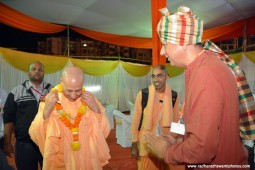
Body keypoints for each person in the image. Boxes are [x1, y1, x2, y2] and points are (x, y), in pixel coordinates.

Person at [144, 6, 249, 169]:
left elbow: (202, 150)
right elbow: (194, 121)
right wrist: (178, 141)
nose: (163, 52)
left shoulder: (205, 74)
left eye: (165, 44)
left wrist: (167, 152)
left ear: (183, 42)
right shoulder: (202, 67)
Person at [29, 66, 111, 170]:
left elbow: (104, 132)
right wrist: (46, 113)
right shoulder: (50, 100)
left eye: (78, 90)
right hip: (61, 162)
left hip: (87, 160)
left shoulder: (90, 100)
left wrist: (96, 110)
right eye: (69, 90)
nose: (73, 96)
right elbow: (35, 133)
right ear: (61, 82)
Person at [131, 64, 184, 170]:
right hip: (146, 141)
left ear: (167, 77)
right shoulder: (143, 94)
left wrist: (180, 140)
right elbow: (136, 120)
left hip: (164, 144)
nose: (156, 79)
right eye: (153, 76)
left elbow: (176, 120)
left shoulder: (174, 96)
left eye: (159, 76)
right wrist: (134, 143)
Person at [3, 61, 53, 170]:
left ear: (44, 72)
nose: (37, 72)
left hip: (49, 143)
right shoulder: (16, 92)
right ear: (28, 72)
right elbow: (8, 118)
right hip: (24, 144)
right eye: (34, 69)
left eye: (40, 69)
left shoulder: (52, 91)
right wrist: (7, 142)